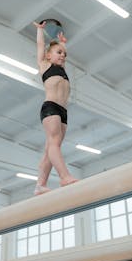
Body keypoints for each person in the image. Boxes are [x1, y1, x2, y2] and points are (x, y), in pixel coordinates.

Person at [33, 19, 78, 195]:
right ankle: (64, 177)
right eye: (59, 53)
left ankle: (40, 184)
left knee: (50, 149)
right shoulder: (45, 66)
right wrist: (40, 30)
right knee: (54, 144)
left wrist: (62, 44)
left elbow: (61, 52)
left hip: (63, 112)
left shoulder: (62, 67)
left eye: (64, 54)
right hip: (50, 107)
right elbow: (40, 45)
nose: (63, 56)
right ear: (48, 56)